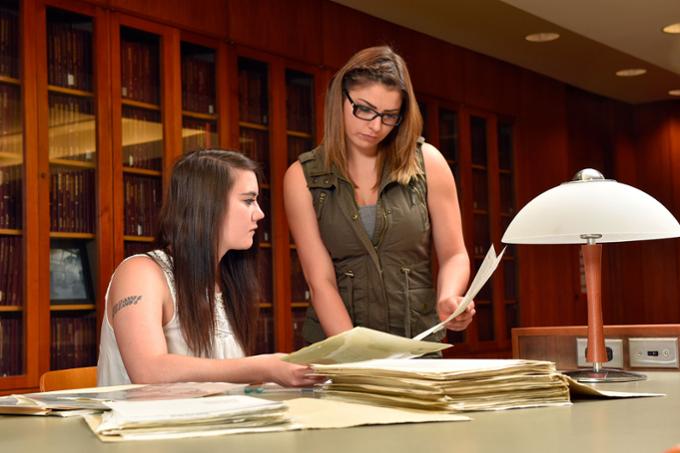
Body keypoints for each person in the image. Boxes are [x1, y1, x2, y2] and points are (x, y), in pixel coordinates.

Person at [284, 46, 474, 345]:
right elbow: (320, 282)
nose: (375, 126)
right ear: (340, 98)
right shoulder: (302, 177)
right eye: (364, 109)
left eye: (389, 116)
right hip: (338, 349)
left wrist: (450, 297)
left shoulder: (428, 163)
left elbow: (454, 254)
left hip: (417, 344)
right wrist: (354, 352)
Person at [97, 149, 320, 387]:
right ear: (207, 206)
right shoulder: (141, 273)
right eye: (248, 200)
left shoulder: (226, 281)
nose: (260, 213)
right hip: (145, 424)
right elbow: (148, 371)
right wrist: (264, 368)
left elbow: (223, 384)